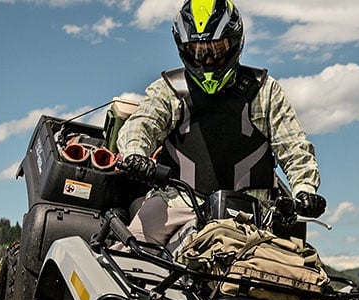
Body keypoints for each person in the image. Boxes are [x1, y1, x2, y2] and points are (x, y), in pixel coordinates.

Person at [117, 0, 324, 247]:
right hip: (177, 201)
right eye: (198, 50)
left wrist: (305, 190)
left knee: (278, 271)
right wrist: (135, 154)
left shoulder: (264, 90)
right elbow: (142, 125)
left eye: (217, 49)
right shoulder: (170, 89)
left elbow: (294, 147)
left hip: (252, 211)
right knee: (128, 254)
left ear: (235, 42)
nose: (207, 60)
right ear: (183, 49)